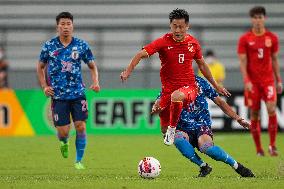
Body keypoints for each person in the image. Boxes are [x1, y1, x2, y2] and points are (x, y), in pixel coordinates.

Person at [120, 8, 230, 146]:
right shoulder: (162, 42)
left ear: (187, 26)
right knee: (162, 125)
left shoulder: (193, 43)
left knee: (177, 100)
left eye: (181, 27)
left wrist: (215, 84)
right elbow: (140, 55)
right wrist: (128, 71)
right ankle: (177, 135)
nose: (177, 30)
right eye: (175, 26)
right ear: (170, 25)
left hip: (188, 87)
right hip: (168, 90)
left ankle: (173, 129)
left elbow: (202, 65)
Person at [152, 76, 254, 177]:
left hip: (201, 124)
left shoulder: (200, 82)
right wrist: (156, 108)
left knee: (207, 148)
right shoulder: (170, 84)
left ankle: (237, 166)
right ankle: (203, 166)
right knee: (178, 138)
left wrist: (237, 118)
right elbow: (159, 103)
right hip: (182, 127)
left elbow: (220, 102)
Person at [36, 12, 100, 169]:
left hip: (78, 93)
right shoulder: (49, 46)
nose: (65, 27)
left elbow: (92, 66)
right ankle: (64, 142)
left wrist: (96, 82)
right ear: (57, 26)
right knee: (64, 132)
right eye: (62, 24)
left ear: (73, 26)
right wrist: (44, 86)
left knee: (81, 126)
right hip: (58, 96)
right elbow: (40, 66)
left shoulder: (81, 45)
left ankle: (79, 161)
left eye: (68, 24)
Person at [237, 6, 282, 156]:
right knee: (254, 114)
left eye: (260, 17)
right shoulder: (245, 39)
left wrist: (279, 80)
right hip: (253, 83)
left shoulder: (272, 38)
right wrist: (246, 80)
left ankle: (272, 145)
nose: (257, 20)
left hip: (268, 80)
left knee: (271, 108)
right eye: (255, 17)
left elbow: (275, 60)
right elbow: (242, 62)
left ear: (264, 18)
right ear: (252, 19)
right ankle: (258, 149)